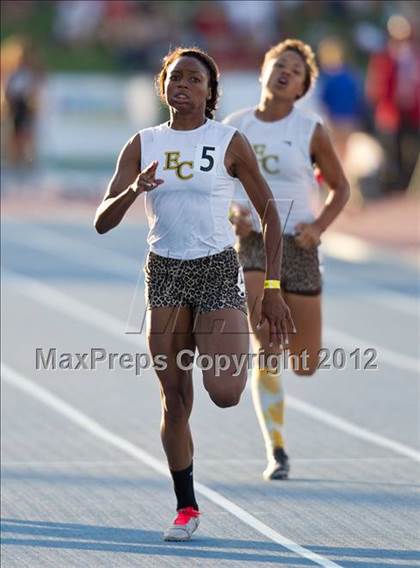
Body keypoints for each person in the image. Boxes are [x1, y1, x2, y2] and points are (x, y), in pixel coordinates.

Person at [94, 47, 293, 541]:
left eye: (193, 79)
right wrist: (133, 190)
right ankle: (186, 507)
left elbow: (270, 213)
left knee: (224, 393)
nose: (182, 84)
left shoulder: (228, 141)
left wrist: (270, 286)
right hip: (164, 273)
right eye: (174, 77)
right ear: (162, 86)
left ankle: (224, 345)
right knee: (174, 399)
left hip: (216, 269)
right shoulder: (142, 143)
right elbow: (102, 221)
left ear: (210, 91)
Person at [224, 39, 350, 480]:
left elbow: (341, 189)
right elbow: (217, 188)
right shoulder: (236, 128)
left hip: (299, 246)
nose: (286, 72)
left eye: (296, 71)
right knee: (267, 344)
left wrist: (318, 228)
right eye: (280, 64)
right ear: (263, 70)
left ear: (301, 88)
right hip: (257, 243)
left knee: (306, 363)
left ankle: (287, 362)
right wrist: (232, 213)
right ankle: (276, 450)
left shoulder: (309, 129)